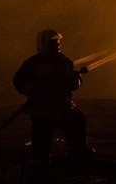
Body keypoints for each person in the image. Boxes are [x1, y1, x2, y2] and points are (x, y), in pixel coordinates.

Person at [13, 29, 93, 165]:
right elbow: (19, 82)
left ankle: (75, 157)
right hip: (49, 111)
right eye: (54, 42)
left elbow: (73, 84)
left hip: (53, 109)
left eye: (58, 42)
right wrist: (37, 90)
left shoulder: (60, 62)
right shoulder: (36, 64)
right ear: (45, 44)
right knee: (46, 140)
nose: (58, 44)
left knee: (75, 122)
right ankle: (72, 156)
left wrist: (76, 80)